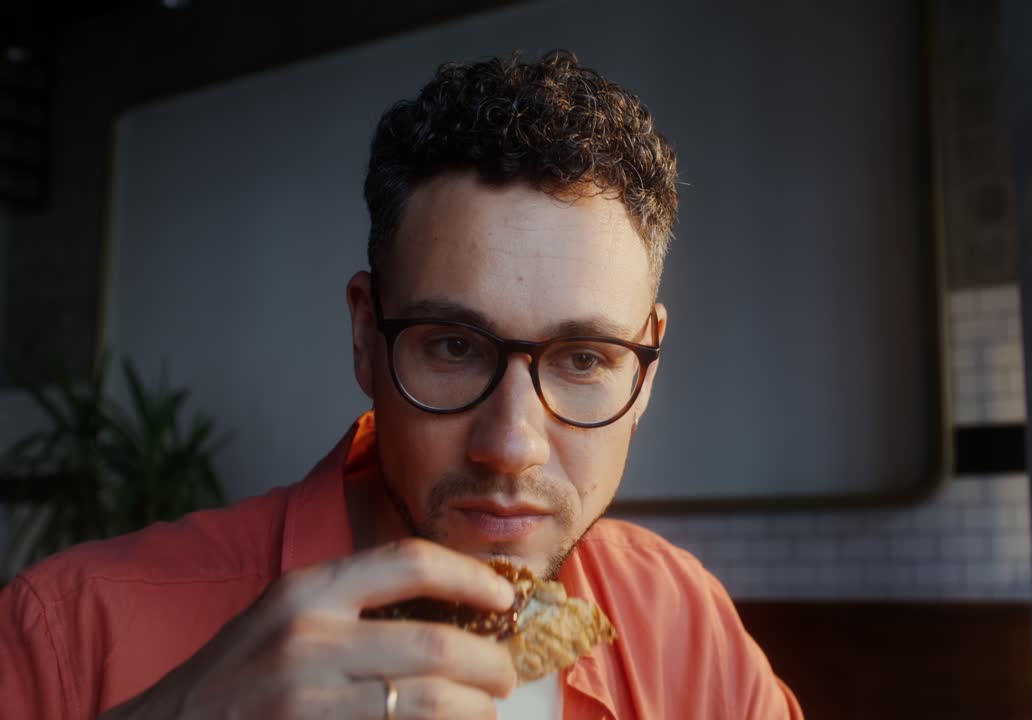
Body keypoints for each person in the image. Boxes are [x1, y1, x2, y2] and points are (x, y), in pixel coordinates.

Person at [0, 51, 803, 719]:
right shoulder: (67, 631)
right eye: (453, 346)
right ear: (364, 337)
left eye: (584, 359)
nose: (510, 445)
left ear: (647, 362)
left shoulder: (684, 627)